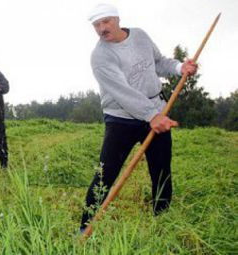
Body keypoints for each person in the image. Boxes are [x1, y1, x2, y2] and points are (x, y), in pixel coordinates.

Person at [80, 4, 198, 232]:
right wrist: (151, 115)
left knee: (162, 170)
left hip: (157, 109)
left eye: (106, 22)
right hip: (121, 119)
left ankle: (162, 222)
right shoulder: (100, 57)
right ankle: (85, 227)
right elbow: (124, 93)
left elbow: (159, 62)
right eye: (97, 25)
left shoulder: (140, 36)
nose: (102, 29)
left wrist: (179, 67)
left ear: (117, 19)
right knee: (106, 174)